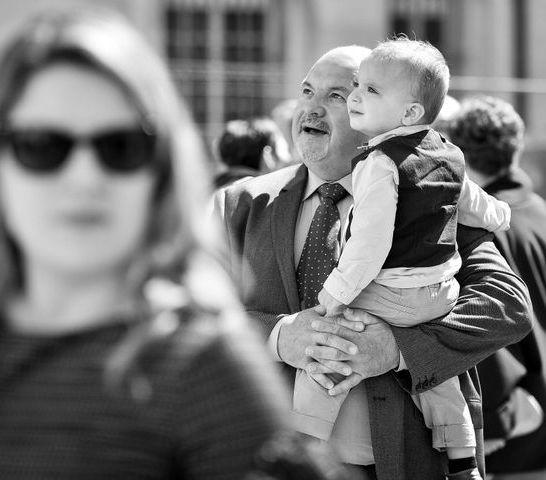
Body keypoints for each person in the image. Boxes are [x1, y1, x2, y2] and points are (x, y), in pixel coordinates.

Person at [0, 7, 331, 479]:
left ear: (162, 170)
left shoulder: (206, 369)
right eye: (42, 145)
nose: (84, 178)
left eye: (121, 147)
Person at [215, 44, 532, 479]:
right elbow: (181, 317)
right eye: (308, 92)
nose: (312, 108)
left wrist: (397, 350)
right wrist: (279, 336)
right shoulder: (240, 204)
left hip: (408, 463)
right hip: (269, 464)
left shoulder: (432, 194)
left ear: (394, 115)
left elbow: (507, 307)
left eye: (337, 96)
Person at [305, 38, 510, 479]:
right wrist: (503, 215)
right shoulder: (446, 152)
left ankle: (302, 440)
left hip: (394, 290)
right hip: (440, 292)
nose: (356, 96)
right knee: (435, 375)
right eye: (356, 86)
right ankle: (461, 455)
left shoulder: (379, 163)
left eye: (365, 91)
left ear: (410, 112)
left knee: (330, 340)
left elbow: (369, 245)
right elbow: (475, 201)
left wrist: (335, 294)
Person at [448, 96, 546, 480]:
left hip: (513, 429)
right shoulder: (541, 211)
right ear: (516, 146)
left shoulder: (479, 227)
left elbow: (485, 322)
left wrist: (494, 419)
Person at [213, 116, 292, 188]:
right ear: (268, 155)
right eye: (285, 150)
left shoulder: (220, 192)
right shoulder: (260, 198)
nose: (289, 158)